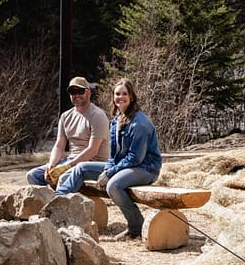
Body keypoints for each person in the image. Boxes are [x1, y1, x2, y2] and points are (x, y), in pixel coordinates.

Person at [65, 77, 162, 239]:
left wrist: (110, 173)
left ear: (131, 97)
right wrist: (109, 168)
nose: (120, 97)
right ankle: (59, 202)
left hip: (145, 168)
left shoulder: (140, 124)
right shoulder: (116, 121)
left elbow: (135, 158)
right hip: (124, 167)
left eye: (124, 94)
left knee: (113, 186)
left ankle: (136, 226)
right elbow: (113, 156)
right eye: (117, 94)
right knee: (82, 167)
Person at [27, 77, 109, 194]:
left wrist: (66, 167)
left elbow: (93, 150)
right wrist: (51, 166)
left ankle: (57, 206)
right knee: (34, 175)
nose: (76, 95)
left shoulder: (97, 116)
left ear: (88, 92)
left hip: (92, 163)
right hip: (71, 160)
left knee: (63, 178)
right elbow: (59, 145)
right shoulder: (66, 116)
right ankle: (49, 204)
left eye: (80, 91)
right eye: (72, 92)